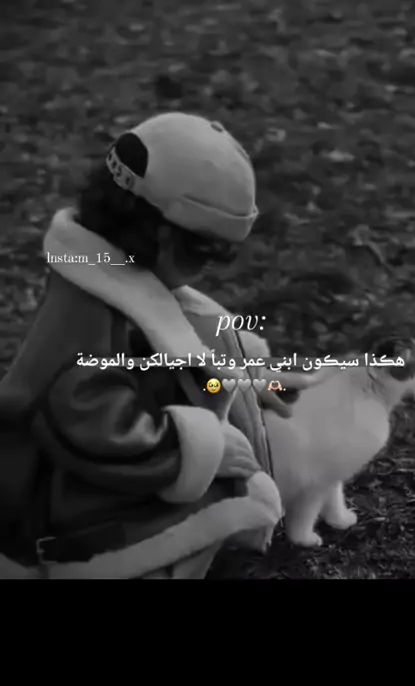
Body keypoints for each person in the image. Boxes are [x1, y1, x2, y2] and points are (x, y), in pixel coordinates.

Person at [0, 112, 282, 580]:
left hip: (76, 482)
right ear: (164, 236)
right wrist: (203, 448)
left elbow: (145, 352)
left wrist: (231, 371)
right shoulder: (85, 316)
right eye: (201, 256)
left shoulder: (106, 275)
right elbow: (95, 426)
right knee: (241, 497)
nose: (202, 273)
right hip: (52, 509)